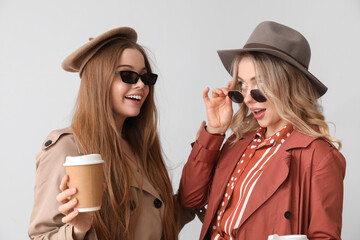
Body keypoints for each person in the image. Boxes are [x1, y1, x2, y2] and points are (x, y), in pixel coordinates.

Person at [179, 21, 346, 239]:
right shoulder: (236, 143)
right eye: (243, 85)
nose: (247, 98)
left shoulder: (319, 156)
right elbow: (190, 199)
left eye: (258, 86)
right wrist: (215, 131)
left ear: (288, 86)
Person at [29, 27, 193, 240]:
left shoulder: (138, 145)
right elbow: (41, 236)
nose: (141, 85)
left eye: (146, 77)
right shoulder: (67, 147)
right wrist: (79, 230)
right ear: (99, 80)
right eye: (128, 75)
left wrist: (210, 140)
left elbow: (155, 224)